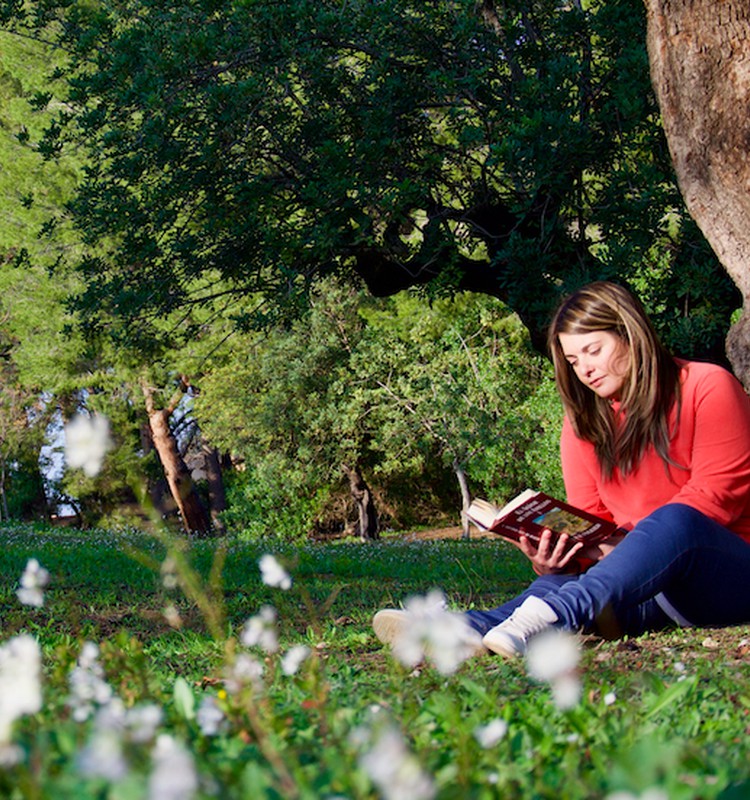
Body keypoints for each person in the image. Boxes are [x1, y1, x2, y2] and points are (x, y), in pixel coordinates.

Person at [372, 281, 750, 658]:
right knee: (561, 577)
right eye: (573, 360)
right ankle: (468, 629)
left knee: (677, 521)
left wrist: (624, 548)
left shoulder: (707, 386)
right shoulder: (584, 423)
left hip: (721, 578)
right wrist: (556, 556)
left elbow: (717, 500)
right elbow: (591, 521)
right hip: (643, 587)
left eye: (593, 350)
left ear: (632, 335)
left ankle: (555, 616)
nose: (585, 369)